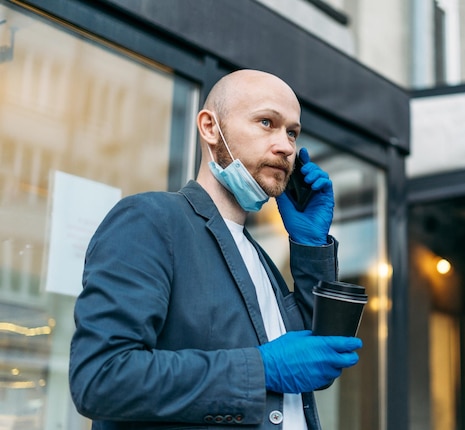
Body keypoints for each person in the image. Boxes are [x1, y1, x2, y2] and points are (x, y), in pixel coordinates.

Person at [68, 69, 363, 429]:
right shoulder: (151, 219)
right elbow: (101, 378)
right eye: (267, 122)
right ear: (210, 127)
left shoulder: (260, 259)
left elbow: (319, 361)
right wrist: (262, 369)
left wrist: (311, 245)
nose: (286, 146)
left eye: (292, 132)